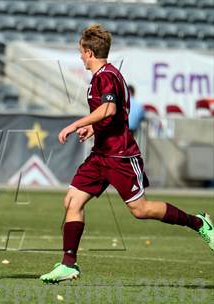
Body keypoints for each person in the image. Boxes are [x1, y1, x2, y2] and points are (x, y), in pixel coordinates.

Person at [40, 25, 214, 284]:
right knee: (72, 201)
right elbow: (111, 113)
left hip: (120, 156)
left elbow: (109, 109)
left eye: (81, 52)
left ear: (89, 53)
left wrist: (76, 123)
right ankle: (68, 264)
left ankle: (199, 223)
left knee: (140, 210)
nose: (80, 57)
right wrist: (92, 126)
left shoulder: (105, 76)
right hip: (101, 155)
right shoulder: (105, 75)